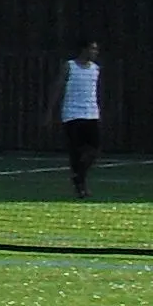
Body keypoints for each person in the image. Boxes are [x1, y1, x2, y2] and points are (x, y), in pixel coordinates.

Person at [52, 38, 104, 197]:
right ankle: (80, 186)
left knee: (94, 150)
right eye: (92, 49)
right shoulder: (70, 66)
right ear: (84, 49)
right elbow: (58, 87)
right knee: (75, 151)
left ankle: (78, 176)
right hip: (72, 114)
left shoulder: (95, 69)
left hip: (91, 113)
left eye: (96, 50)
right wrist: (51, 111)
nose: (95, 52)